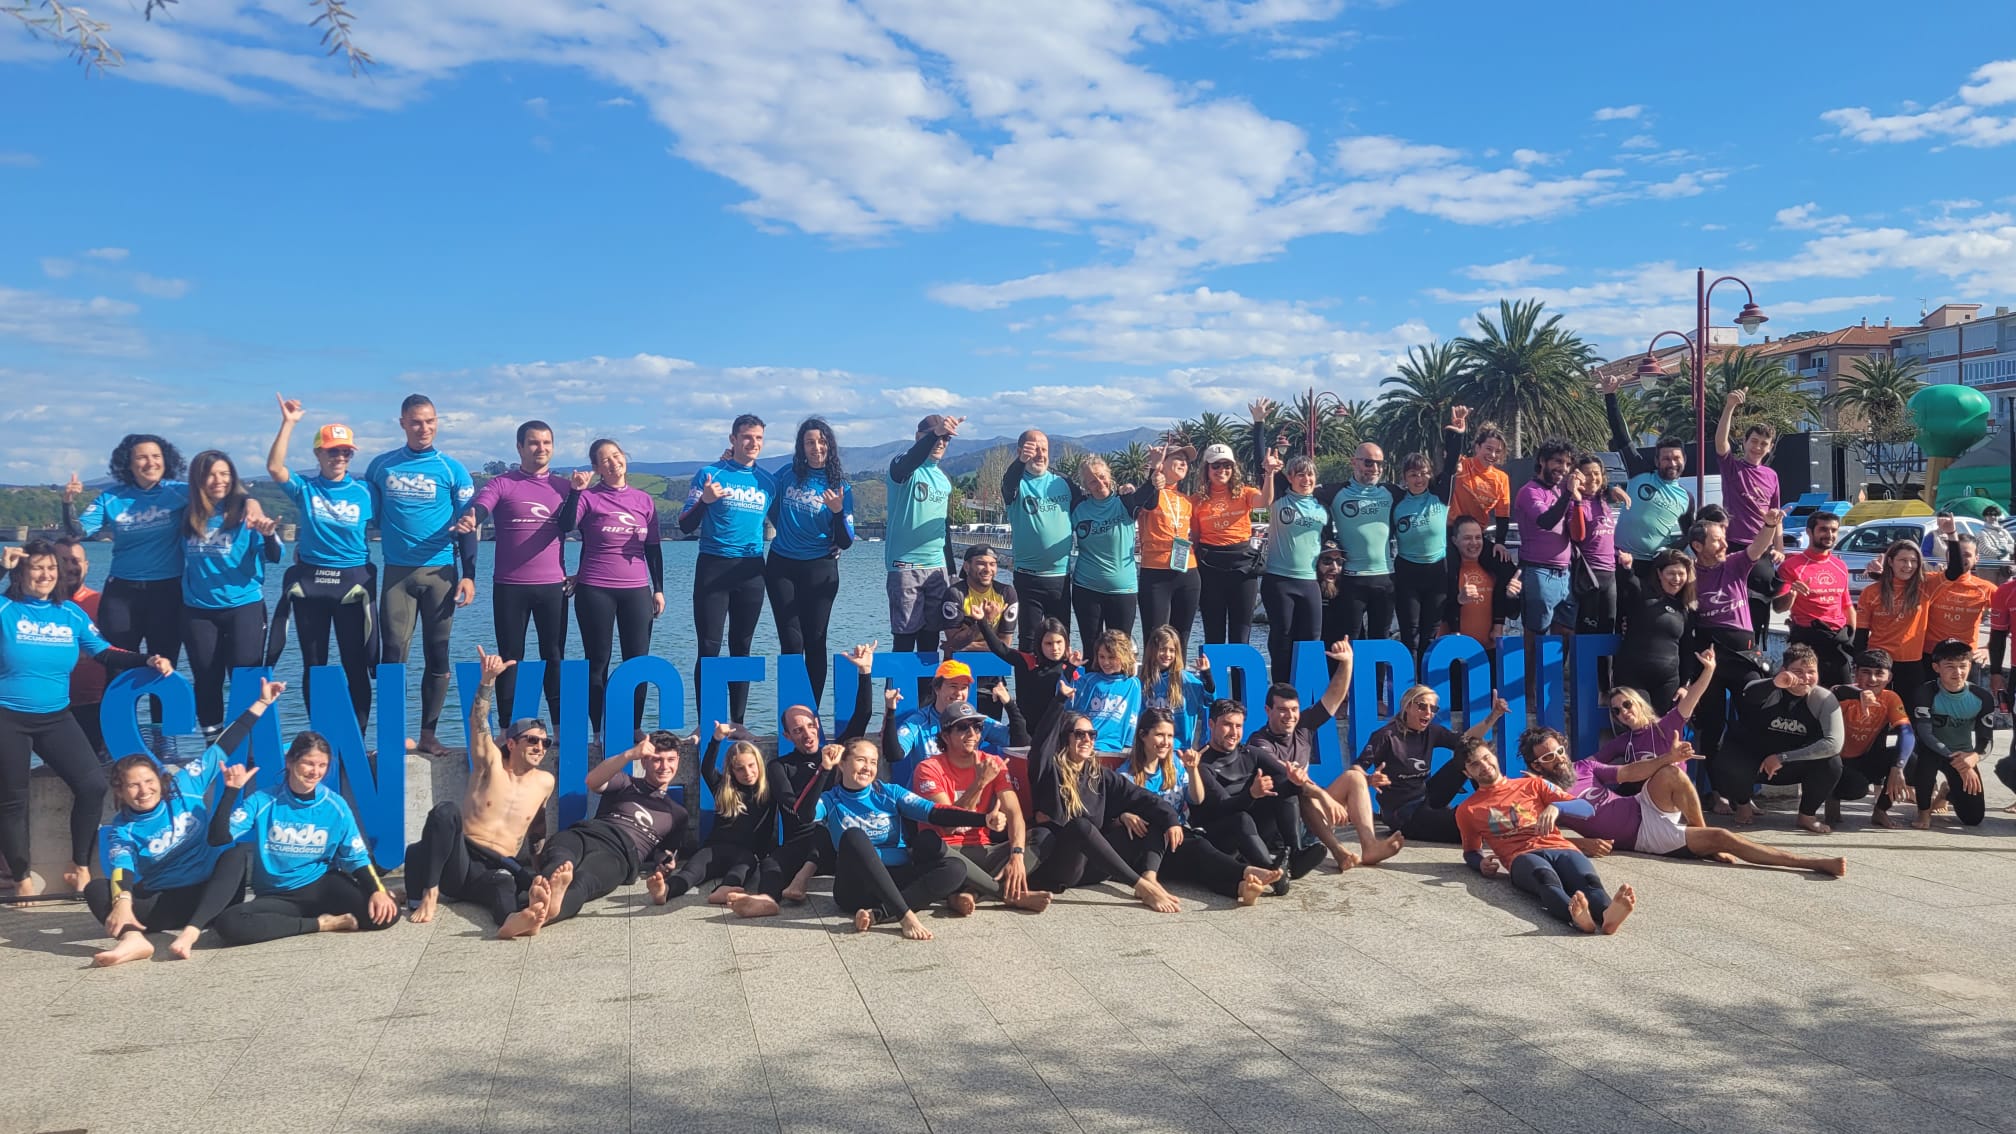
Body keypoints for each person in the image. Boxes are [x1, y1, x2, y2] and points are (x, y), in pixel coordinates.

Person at [0, 542, 173, 898]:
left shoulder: (70, 614)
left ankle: (79, 864)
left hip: (55, 717)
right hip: (8, 717)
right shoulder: (5, 609)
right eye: (36, 568)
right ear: (21, 572)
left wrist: (148, 660)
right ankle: (21, 878)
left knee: (93, 785)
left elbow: (106, 652)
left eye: (51, 568)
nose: (45, 575)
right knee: (13, 799)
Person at [85, 681, 280, 966]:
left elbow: (226, 743)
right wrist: (123, 903)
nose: (144, 791)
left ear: (160, 780)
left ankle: (192, 932)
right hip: (165, 902)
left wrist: (261, 703)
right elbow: (121, 870)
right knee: (96, 889)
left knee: (235, 854)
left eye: (149, 781)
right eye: (133, 786)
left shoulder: (185, 784)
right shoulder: (122, 828)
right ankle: (133, 940)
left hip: (213, 892)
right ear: (120, 792)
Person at [1521, 728, 1844, 876]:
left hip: (1641, 806)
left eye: (1560, 750)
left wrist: (1669, 756)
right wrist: (1580, 843)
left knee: (1671, 772)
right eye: (1549, 757)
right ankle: (1810, 863)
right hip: (1644, 836)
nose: (1559, 759)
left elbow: (1633, 770)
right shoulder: (1538, 791)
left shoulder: (1585, 767)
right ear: (1537, 765)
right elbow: (1528, 835)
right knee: (1724, 837)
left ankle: (1701, 836)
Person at [405, 647, 555, 926]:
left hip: (497, 869)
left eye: (544, 742)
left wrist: (537, 869)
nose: (539, 747)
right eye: (531, 740)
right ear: (512, 743)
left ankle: (515, 922)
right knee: (445, 811)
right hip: (459, 862)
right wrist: (487, 682)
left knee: (504, 893)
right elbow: (478, 722)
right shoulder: (490, 764)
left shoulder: (545, 782)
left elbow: (537, 827)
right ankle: (430, 892)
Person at [728, 642, 880, 918]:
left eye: (811, 726)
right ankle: (767, 899)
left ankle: (801, 881)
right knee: (772, 861)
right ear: (787, 736)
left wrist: (865, 672)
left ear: (818, 725)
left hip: (835, 840)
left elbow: (863, 715)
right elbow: (798, 813)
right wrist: (823, 770)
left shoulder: (838, 751)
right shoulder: (779, 767)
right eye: (798, 730)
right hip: (800, 842)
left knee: (825, 833)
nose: (807, 734)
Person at [206, 730, 399, 945]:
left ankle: (384, 895)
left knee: (387, 915)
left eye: (322, 766)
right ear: (290, 761)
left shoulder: (335, 806)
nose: (315, 772)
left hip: (323, 886)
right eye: (308, 763)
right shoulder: (263, 800)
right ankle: (322, 924)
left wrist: (377, 890)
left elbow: (356, 857)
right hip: (278, 895)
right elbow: (218, 838)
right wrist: (231, 791)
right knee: (229, 924)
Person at [364, 393, 477, 757]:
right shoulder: (381, 467)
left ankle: (428, 734)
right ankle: (392, 734)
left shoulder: (452, 469)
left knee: (437, 653)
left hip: (441, 572)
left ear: (437, 421)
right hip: (397, 573)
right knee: (394, 652)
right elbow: (372, 517)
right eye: (415, 421)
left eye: (429, 421)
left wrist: (470, 574)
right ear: (402, 423)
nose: (423, 428)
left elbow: (468, 526)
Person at [794, 736, 987, 941]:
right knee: (853, 836)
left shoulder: (889, 793)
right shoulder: (831, 800)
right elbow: (803, 814)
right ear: (842, 763)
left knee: (955, 868)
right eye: (861, 760)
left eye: (873, 762)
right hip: (855, 889)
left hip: (897, 880)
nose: (867, 767)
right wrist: (823, 769)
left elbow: (935, 813)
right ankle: (905, 916)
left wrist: (984, 819)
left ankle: (880, 913)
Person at [499, 730, 689, 938]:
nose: (664, 767)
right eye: (656, 760)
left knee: (583, 883)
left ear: (678, 761)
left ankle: (535, 915)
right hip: (586, 833)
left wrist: (666, 863)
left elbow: (665, 852)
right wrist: (628, 755)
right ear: (643, 762)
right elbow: (592, 781)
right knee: (559, 862)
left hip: (620, 854)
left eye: (670, 760)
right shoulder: (626, 782)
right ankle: (541, 908)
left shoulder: (677, 814)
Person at [265, 401, 377, 731]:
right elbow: (274, 468)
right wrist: (288, 423)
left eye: (345, 452)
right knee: (315, 665)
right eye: (332, 452)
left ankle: (356, 737)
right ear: (318, 455)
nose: (339, 458)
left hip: (352, 583)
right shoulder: (306, 489)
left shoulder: (366, 492)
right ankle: (319, 737)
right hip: (313, 581)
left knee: (355, 664)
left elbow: (399, 520)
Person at [1017, 697, 1184, 912]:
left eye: (1091, 735)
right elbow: (1040, 746)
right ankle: (1143, 888)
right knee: (1081, 827)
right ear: (1064, 738)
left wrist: (1172, 820)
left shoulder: (1099, 775)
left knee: (1152, 818)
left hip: (1093, 867)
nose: (1087, 739)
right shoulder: (1049, 772)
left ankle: (1149, 877)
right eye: (1079, 734)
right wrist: (1058, 701)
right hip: (1060, 866)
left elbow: (1143, 797)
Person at [1455, 736, 1636, 935]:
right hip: (1520, 855)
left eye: (1486, 757)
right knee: (1545, 878)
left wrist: (1556, 807)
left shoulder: (1533, 785)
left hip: (1559, 847)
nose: (1484, 765)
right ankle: (1575, 917)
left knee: (1588, 881)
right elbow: (1470, 851)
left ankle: (1607, 915)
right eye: (1474, 764)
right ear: (1467, 772)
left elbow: (1586, 809)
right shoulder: (1467, 809)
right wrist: (1479, 863)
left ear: (1495, 757)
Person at [458, 420, 571, 725]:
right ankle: (508, 727)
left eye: (547, 443)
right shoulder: (502, 483)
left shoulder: (563, 487)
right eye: (534, 443)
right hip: (510, 586)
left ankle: (559, 727)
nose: (541, 448)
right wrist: (473, 518)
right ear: (519, 447)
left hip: (553, 586)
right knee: (511, 657)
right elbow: (482, 506)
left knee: (554, 656)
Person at [1117, 708, 1284, 905]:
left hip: (1176, 841)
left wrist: (1192, 769)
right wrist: (1123, 815)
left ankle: (1241, 889)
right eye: (1159, 735)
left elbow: (1197, 798)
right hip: (1148, 848)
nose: (1165, 742)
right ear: (1143, 735)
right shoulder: (1126, 774)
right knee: (1200, 849)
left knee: (1199, 869)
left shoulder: (1175, 767)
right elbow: (1112, 809)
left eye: (1170, 736)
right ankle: (1246, 871)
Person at [60, 433, 193, 674]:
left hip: (167, 591)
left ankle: (162, 713)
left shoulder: (181, 492)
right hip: (122, 593)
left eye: (156, 456)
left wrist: (252, 505)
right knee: (118, 669)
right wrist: (68, 502)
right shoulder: (111, 497)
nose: (150, 462)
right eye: (142, 457)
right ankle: (116, 713)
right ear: (128, 464)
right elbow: (76, 532)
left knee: (163, 668)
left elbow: (223, 497)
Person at [561, 439, 663, 742]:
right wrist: (576, 491)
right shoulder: (589, 498)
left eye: (617, 456)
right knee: (598, 661)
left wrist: (658, 589)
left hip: (636, 591)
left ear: (625, 458)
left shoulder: (644, 501)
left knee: (638, 661)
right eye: (605, 460)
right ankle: (598, 729)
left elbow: (653, 549)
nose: (613, 463)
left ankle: (632, 727)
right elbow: (566, 525)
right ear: (596, 468)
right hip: (596, 589)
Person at [909, 700, 1051, 916]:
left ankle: (971, 893)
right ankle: (1007, 894)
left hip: (983, 850)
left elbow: (1015, 814)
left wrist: (1017, 855)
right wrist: (980, 782)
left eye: (977, 727)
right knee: (930, 845)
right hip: (947, 853)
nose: (972, 733)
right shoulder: (928, 768)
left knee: (1043, 836)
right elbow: (948, 826)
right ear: (945, 736)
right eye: (963, 727)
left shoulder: (993, 762)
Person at [178, 450, 283, 738]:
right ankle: (213, 744)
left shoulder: (246, 514)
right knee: (206, 679)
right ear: (198, 479)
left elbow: (274, 556)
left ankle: (246, 742)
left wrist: (267, 533)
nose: (218, 480)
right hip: (198, 610)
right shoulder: (187, 512)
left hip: (243, 607)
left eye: (224, 474)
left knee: (245, 679)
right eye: (211, 474)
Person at [681, 414, 774, 724]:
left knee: (742, 647)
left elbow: (789, 525)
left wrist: (828, 543)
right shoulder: (710, 474)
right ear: (733, 440)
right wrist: (705, 500)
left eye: (759, 438)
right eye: (747, 437)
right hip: (713, 565)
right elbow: (685, 525)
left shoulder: (767, 482)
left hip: (751, 570)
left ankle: (737, 722)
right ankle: (707, 723)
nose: (754, 444)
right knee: (709, 647)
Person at [1242, 638, 1364, 871]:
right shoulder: (1258, 742)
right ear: (1268, 711)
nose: (1289, 716)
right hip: (1272, 821)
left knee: (1354, 778)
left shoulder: (1303, 726)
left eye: (1294, 710)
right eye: (1282, 710)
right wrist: (1325, 798)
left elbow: (1333, 697)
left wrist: (1347, 663)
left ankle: (1369, 845)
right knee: (1297, 789)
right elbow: (1292, 778)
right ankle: (1337, 851)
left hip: (1304, 820)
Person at [1190, 696, 1332, 891]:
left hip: (1253, 833)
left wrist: (1306, 787)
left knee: (1285, 783)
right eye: (1227, 725)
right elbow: (1223, 807)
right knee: (1240, 818)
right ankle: (1271, 872)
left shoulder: (1250, 753)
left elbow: (1288, 778)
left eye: (1238, 726)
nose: (1233, 732)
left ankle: (1296, 854)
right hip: (1218, 838)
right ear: (1211, 724)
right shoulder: (1202, 764)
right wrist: (1252, 794)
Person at [1709, 644, 1844, 833]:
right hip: (1753, 762)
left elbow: (1833, 744)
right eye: (1798, 671)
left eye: (1811, 672)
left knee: (1832, 763)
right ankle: (1743, 803)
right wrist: (1774, 683)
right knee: (1727, 761)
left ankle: (1807, 815)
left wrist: (1783, 758)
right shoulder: (1768, 689)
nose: (1805, 678)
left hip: (1791, 764)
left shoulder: (1823, 699)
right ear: (1783, 671)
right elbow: (1748, 693)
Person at [1687, 509, 1785, 769]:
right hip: (1710, 659)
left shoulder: (1734, 563)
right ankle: (1717, 792)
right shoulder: (1688, 574)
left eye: (1724, 538)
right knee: (1713, 724)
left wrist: (1769, 524)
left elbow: (1757, 547)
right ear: (1698, 546)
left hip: (1744, 656)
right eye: (1717, 540)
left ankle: (1747, 788)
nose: (1724, 544)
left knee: (1755, 717)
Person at [766, 417, 854, 703]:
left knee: (816, 642)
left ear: (829, 445)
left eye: (821, 441)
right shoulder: (786, 474)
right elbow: (766, 499)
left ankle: (811, 712)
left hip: (820, 568)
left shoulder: (840, 486)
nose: (816, 447)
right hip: (782, 566)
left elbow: (845, 541)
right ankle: (791, 711)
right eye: (809, 442)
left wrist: (839, 512)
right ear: (801, 447)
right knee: (792, 642)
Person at [1354, 681, 1506, 843]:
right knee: (1469, 824)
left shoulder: (1432, 731)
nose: (1428, 712)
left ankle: (1500, 802)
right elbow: (1355, 771)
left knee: (1470, 752)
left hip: (1426, 797)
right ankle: (1492, 822)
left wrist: (1494, 715)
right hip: (1403, 813)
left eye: (1433, 709)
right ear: (1407, 706)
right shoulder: (1386, 736)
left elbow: (1468, 740)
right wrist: (1369, 780)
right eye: (1421, 706)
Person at [660, 724, 777, 903]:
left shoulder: (768, 791)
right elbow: (706, 769)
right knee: (691, 872)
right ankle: (665, 890)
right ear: (731, 771)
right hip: (713, 849)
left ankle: (724, 889)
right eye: (740, 768)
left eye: (751, 765)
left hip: (746, 853)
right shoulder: (724, 788)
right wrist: (716, 740)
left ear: (759, 764)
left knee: (741, 870)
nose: (748, 772)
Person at [1192, 412, 1273, 666]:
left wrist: (1269, 474)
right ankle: (1215, 696)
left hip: (1242, 567)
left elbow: (1265, 503)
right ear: (1207, 469)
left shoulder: (1246, 492)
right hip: (1210, 567)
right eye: (1216, 465)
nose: (1221, 470)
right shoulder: (1196, 500)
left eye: (1226, 465)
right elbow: (1194, 537)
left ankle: (1241, 696)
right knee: (1214, 635)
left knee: (1241, 636)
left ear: (1233, 468)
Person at [1601, 373, 1692, 590]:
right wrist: (1610, 396)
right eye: (1666, 458)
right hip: (1620, 560)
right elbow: (1622, 436)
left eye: (1676, 458)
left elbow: (1690, 534)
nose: (1672, 463)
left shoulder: (1686, 498)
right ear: (1657, 461)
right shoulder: (1640, 472)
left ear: (1684, 461)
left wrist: (1668, 550)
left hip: (1654, 567)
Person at [1390, 409, 1469, 657]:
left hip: (1437, 572)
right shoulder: (1396, 501)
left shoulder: (1439, 495)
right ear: (1404, 478)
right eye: (1413, 474)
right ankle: (1407, 688)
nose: (1419, 478)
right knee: (1410, 634)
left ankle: (1426, 689)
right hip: (1407, 573)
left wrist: (1456, 432)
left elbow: (1451, 464)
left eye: (1423, 473)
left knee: (1429, 634)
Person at [885, 414, 960, 658]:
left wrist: (951, 571)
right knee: (905, 641)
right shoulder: (904, 468)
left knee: (930, 642)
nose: (940, 442)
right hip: (906, 567)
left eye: (946, 439)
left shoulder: (943, 480)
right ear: (919, 438)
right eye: (934, 437)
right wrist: (935, 433)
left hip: (936, 569)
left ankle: (928, 696)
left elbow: (943, 528)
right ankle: (895, 696)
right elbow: (907, 463)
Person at [1715, 389, 1784, 637]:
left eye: (1763, 444)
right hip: (1734, 548)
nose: (1757, 447)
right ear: (1744, 442)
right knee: (1730, 605)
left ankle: (1757, 652)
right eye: (1754, 441)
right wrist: (1730, 406)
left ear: (1769, 447)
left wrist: (1780, 549)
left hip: (1763, 552)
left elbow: (1775, 517)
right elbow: (1721, 444)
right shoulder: (1733, 468)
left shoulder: (1772, 476)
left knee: (1759, 607)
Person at [888, 659, 1018, 788]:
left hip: (966, 793)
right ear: (937, 688)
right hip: (927, 798)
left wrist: (1009, 704)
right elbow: (894, 754)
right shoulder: (919, 721)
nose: (959, 693)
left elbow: (1019, 742)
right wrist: (890, 712)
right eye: (953, 686)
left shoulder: (975, 720)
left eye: (964, 688)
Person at [1068, 454, 1156, 644]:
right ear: (1085, 486)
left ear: (1110, 475)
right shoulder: (1077, 508)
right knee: (1091, 651)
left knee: (1120, 652)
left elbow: (1149, 493)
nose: (1099, 483)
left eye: (1102, 476)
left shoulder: (1125, 502)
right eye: (1092, 481)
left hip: (1123, 590)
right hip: (1087, 589)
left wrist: (1155, 468)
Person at [1001, 429, 1074, 651]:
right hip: (1028, 577)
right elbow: (1008, 482)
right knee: (1030, 640)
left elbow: (1094, 500)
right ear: (1020, 451)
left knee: (1059, 640)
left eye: (1044, 449)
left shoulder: (1063, 483)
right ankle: (1026, 686)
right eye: (1034, 449)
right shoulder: (1016, 484)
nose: (1040, 454)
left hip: (1060, 578)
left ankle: (1058, 685)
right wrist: (1021, 461)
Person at [1259, 450, 1324, 685]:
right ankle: (1280, 690)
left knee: (1311, 640)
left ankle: (1305, 692)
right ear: (1289, 478)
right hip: (1279, 580)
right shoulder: (1279, 499)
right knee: (1281, 639)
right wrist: (1259, 424)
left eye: (1309, 475)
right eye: (1300, 475)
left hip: (1310, 581)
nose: (1305, 480)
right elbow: (1264, 466)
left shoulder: (1321, 505)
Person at [1829, 650, 1913, 830]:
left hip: (1866, 757)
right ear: (1855, 673)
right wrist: (1859, 694)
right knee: (1856, 789)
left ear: (1889, 677)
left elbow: (1907, 732)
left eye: (1879, 673)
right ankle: (1831, 796)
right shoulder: (1844, 695)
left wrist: (1897, 767)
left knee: (1911, 760)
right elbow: (1835, 691)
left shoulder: (1890, 698)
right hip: (1836, 761)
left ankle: (1881, 810)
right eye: (1866, 672)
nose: (1872, 679)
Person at [1593, 651, 1718, 771]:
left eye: (1627, 704)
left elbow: (1692, 697)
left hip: (1674, 788)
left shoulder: (1667, 725)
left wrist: (1708, 670)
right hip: (1642, 791)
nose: (1624, 712)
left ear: (1639, 704)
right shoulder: (1624, 741)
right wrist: (1573, 771)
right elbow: (1592, 762)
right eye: (1617, 711)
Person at [1914, 637, 1992, 830]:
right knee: (1925, 760)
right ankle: (1924, 812)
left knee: (1973, 818)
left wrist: (1974, 758)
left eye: (1963, 666)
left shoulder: (1982, 697)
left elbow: (1986, 739)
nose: (1958, 673)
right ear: (1936, 667)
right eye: (1949, 666)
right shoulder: (1925, 692)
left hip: (1962, 754)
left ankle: (1947, 792)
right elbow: (1925, 734)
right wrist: (1957, 760)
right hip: (1933, 750)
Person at [1775, 512, 1855, 687]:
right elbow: (1779, 607)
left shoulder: (1840, 565)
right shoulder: (1791, 566)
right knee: (1804, 693)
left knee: (1843, 696)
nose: (1829, 534)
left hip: (1837, 641)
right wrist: (1792, 594)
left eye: (1834, 530)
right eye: (1823, 529)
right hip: (1807, 640)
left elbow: (1847, 605)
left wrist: (1852, 638)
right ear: (1809, 532)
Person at [1512, 438, 1580, 639]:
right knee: (1535, 636)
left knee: (1566, 632)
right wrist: (1568, 494)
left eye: (1568, 464)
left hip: (1564, 573)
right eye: (1558, 461)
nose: (1564, 468)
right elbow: (1546, 521)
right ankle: (1531, 672)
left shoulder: (1559, 492)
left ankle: (1555, 672)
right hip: (1538, 571)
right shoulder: (1529, 491)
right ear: (1542, 460)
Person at [1136, 442, 1202, 649]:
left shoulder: (1187, 500)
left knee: (1181, 638)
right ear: (1163, 464)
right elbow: (1147, 501)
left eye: (1186, 461)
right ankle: (1151, 681)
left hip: (1188, 572)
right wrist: (1153, 470)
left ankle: (1178, 680)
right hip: (1156, 573)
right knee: (1156, 638)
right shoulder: (1148, 493)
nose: (1183, 463)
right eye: (1178, 459)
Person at [1614, 550, 1696, 714]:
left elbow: (1687, 650)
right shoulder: (1643, 592)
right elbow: (1630, 582)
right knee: (1640, 726)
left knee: (1662, 731)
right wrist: (1627, 567)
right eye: (1671, 573)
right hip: (1633, 675)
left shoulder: (1686, 608)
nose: (1677, 579)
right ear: (1659, 573)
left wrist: (1685, 685)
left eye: (1681, 574)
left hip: (1667, 681)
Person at [937, 544, 1016, 715]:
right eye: (981, 563)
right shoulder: (955, 594)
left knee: (988, 729)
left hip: (992, 673)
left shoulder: (1006, 593)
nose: (988, 569)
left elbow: (1004, 644)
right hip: (958, 672)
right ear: (967, 566)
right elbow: (955, 643)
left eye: (992, 564)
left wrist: (967, 644)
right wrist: (984, 622)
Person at [1855, 540, 1932, 711]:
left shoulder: (1925, 587)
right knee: (1876, 716)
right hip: (1879, 664)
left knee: (1910, 717)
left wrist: (1951, 535)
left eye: (1913, 561)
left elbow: (1955, 571)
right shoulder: (1871, 592)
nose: (1909, 565)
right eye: (1903, 560)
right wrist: (1859, 666)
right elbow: (1861, 633)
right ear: (1890, 561)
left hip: (1912, 663)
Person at [974, 613, 1079, 728]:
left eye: (1059, 642)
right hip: (1023, 732)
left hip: (1051, 735)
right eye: (1049, 643)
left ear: (1066, 643)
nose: (1055, 648)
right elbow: (999, 648)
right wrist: (982, 621)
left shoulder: (1069, 670)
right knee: (982, 726)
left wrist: (1071, 667)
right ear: (1039, 644)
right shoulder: (1028, 662)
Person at [53, 537, 108, 758]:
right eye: (61, 561)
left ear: (86, 565)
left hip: (96, 707)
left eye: (75, 561)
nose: (69, 567)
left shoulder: (104, 603)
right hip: (51, 709)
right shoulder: (33, 606)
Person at [1569, 454, 1629, 636]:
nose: (1593, 478)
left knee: (1607, 632)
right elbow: (1577, 537)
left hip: (1610, 575)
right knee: (1587, 634)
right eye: (1587, 474)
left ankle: (1607, 666)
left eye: (1597, 473)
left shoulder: (1602, 501)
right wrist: (1577, 500)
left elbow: (1606, 539)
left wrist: (1620, 554)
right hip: (1588, 576)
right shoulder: (1574, 503)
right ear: (1577, 476)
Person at [1441, 515, 1518, 647]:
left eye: (1478, 537)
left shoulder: (1494, 568)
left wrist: (1511, 596)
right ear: (1454, 541)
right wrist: (1459, 600)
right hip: (1454, 652)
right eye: (1467, 538)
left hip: (1488, 655)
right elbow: (1435, 613)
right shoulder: (1446, 570)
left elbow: (1513, 614)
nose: (1474, 543)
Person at [1069, 629, 1143, 754]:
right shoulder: (1089, 680)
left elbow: (1133, 717)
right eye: (1101, 657)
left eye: (1112, 657)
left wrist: (1129, 746)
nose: (1106, 662)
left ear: (1124, 657)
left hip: (1114, 746)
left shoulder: (1133, 684)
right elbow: (1073, 711)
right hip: (1087, 743)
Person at [1140, 625, 1212, 750]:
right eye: (1162, 649)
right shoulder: (1142, 681)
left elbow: (1209, 701)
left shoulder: (1185, 679)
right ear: (1152, 650)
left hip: (1179, 749)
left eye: (1172, 650)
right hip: (1149, 747)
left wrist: (1207, 674)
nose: (1167, 654)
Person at [1448, 419, 1512, 543]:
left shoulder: (1501, 478)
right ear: (1477, 447)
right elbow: (1450, 454)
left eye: (1498, 451)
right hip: (1452, 532)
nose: (1493, 455)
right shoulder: (1462, 465)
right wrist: (1456, 431)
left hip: (1477, 535)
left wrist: (1500, 543)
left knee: (1502, 561)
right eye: (1488, 449)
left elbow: (1502, 516)